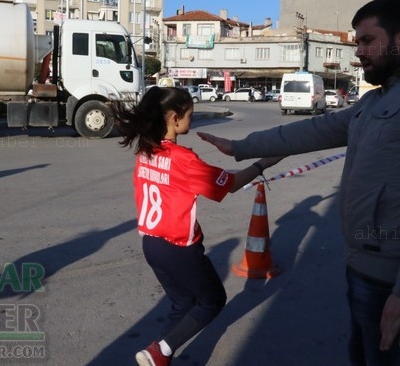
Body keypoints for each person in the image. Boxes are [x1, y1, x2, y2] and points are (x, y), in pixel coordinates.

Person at [197, 0, 400, 365]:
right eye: (356, 41)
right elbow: (314, 131)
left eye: (367, 40)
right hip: (364, 268)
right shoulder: (377, 100)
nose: (358, 51)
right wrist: (240, 147)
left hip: (397, 280)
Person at [109, 86, 282, 366]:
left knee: (183, 304)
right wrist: (263, 164)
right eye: (190, 114)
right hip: (179, 249)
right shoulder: (184, 160)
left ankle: (158, 354)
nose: (192, 118)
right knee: (212, 301)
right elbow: (232, 184)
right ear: (175, 118)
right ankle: (161, 351)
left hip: (151, 244)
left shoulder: (145, 151)